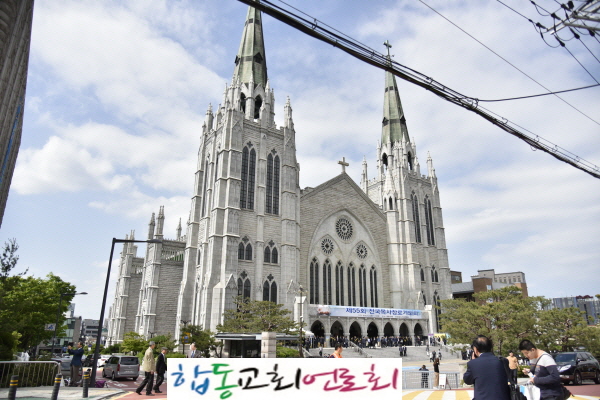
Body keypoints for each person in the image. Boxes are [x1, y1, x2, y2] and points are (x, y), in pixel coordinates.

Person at [463, 335, 510, 400]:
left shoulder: (473, 363)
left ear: (475, 349)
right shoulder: (503, 361)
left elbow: (467, 380)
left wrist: (473, 361)